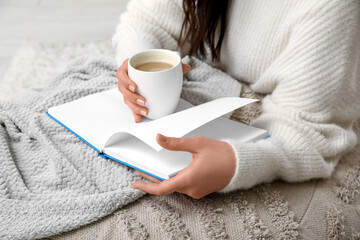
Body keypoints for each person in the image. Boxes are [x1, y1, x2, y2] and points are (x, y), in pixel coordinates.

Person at [112, 0, 360, 199]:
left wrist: (238, 163)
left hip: (284, 124)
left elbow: (308, 130)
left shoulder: (330, 8)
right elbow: (147, 21)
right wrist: (137, 67)